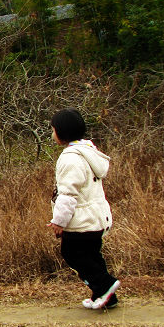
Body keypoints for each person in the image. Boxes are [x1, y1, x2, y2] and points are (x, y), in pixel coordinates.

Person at [47, 108, 120, 310]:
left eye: (53, 130)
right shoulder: (89, 152)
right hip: (96, 218)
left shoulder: (70, 159)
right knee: (92, 256)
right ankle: (105, 297)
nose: (52, 134)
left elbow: (68, 195)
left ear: (61, 133)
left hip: (82, 221)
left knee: (72, 253)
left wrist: (58, 222)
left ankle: (105, 286)